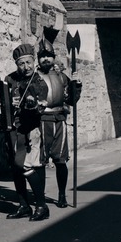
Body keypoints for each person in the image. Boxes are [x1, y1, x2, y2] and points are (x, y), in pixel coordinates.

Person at [4, 43, 50, 221]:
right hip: (12, 128)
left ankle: (41, 205)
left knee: (25, 165)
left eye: (29, 62)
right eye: (21, 63)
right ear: (17, 64)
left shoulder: (39, 83)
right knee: (16, 168)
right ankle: (23, 205)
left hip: (29, 129)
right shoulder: (10, 79)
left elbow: (38, 106)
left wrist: (31, 104)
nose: (26, 67)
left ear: (34, 62)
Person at [36, 38, 82, 208]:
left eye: (48, 56)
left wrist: (76, 85)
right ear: (38, 58)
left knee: (60, 160)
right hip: (40, 121)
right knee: (40, 161)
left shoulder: (62, 77)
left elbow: (70, 100)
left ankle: (62, 195)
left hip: (59, 120)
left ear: (53, 57)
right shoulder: (35, 77)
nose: (45, 59)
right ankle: (40, 198)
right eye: (42, 56)